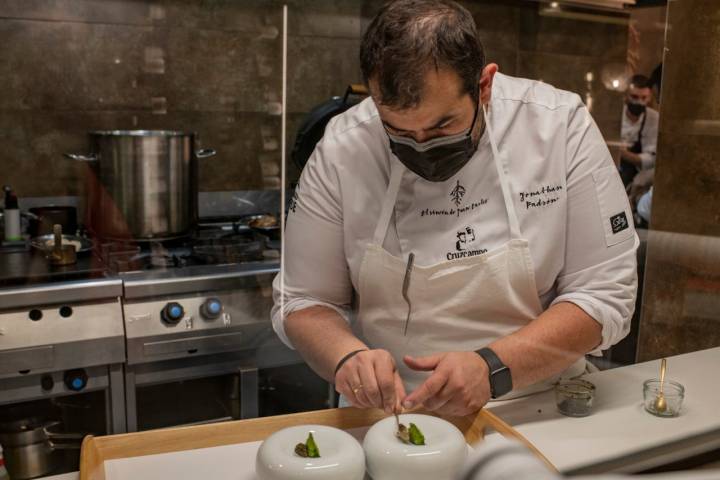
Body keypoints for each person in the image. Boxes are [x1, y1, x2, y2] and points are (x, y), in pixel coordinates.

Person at [272, 0, 638, 417]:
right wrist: (345, 358)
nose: (422, 146)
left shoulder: (558, 127)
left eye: (442, 125)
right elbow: (302, 301)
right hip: (389, 416)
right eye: (399, 131)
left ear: (484, 85)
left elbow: (604, 295)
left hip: (541, 404)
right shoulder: (344, 146)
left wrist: (492, 367)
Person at [618, 74, 659, 187]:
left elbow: (651, 159)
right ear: (626, 96)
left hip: (638, 172)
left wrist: (624, 153)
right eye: (634, 97)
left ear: (649, 97)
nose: (639, 102)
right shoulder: (615, 114)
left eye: (644, 98)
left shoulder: (654, 118)